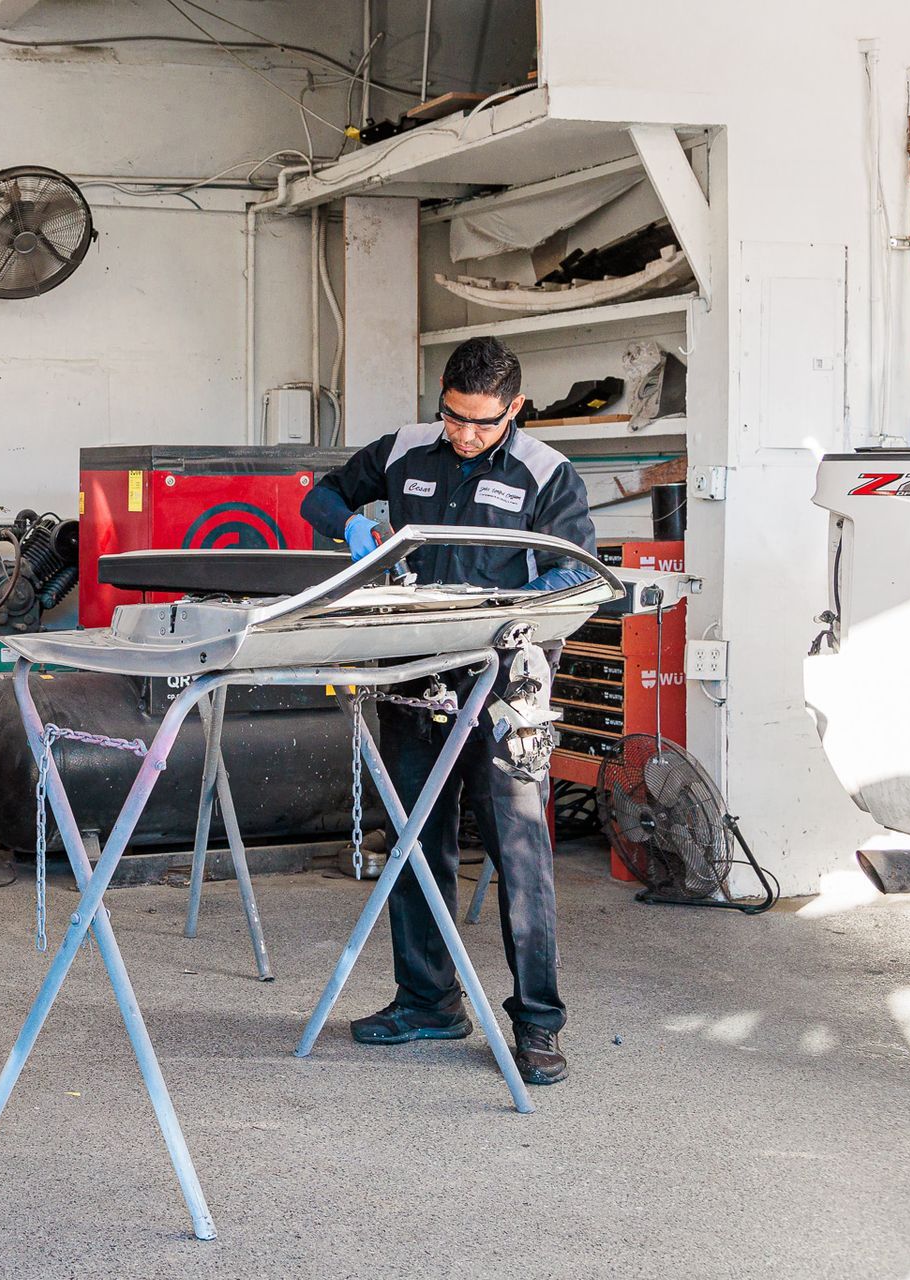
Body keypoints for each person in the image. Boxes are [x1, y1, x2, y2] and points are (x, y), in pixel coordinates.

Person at [300, 335, 595, 1086]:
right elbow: (319, 496)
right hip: (414, 676)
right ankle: (428, 1002)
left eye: (482, 422)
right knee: (415, 842)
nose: (464, 435)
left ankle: (537, 1024)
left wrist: (521, 602)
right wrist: (351, 526)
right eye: (453, 417)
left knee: (518, 853)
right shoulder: (405, 450)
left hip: (503, 688)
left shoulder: (546, 474)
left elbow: (576, 575)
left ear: (514, 409)